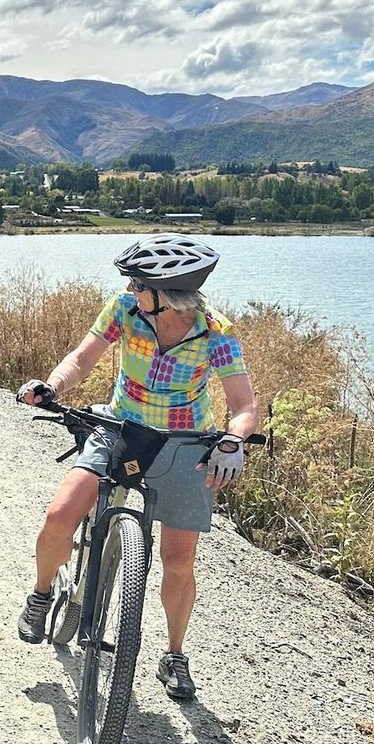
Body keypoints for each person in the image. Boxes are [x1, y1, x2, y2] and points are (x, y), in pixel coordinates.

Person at [15, 233, 259, 701]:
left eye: (139, 284)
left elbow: (245, 405)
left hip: (186, 443)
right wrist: (52, 385)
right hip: (121, 428)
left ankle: (174, 655)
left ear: (166, 294)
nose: (130, 288)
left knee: (178, 560)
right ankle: (42, 593)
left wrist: (232, 441)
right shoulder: (125, 309)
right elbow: (82, 358)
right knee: (59, 516)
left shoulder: (216, 331)